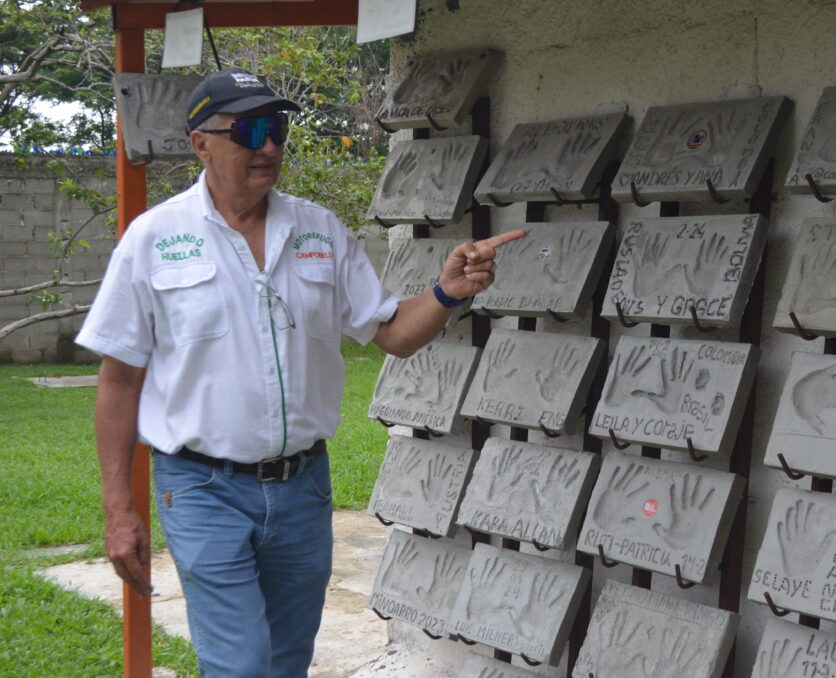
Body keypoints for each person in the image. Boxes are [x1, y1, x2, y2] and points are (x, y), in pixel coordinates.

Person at [76, 67, 524, 678]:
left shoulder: (318, 230)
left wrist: (446, 293)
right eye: (251, 130)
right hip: (202, 488)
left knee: (287, 661)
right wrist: (118, 509)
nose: (268, 147)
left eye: (278, 129)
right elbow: (119, 379)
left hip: (302, 488)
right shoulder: (153, 239)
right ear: (200, 142)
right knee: (241, 665)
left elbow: (391, 333)